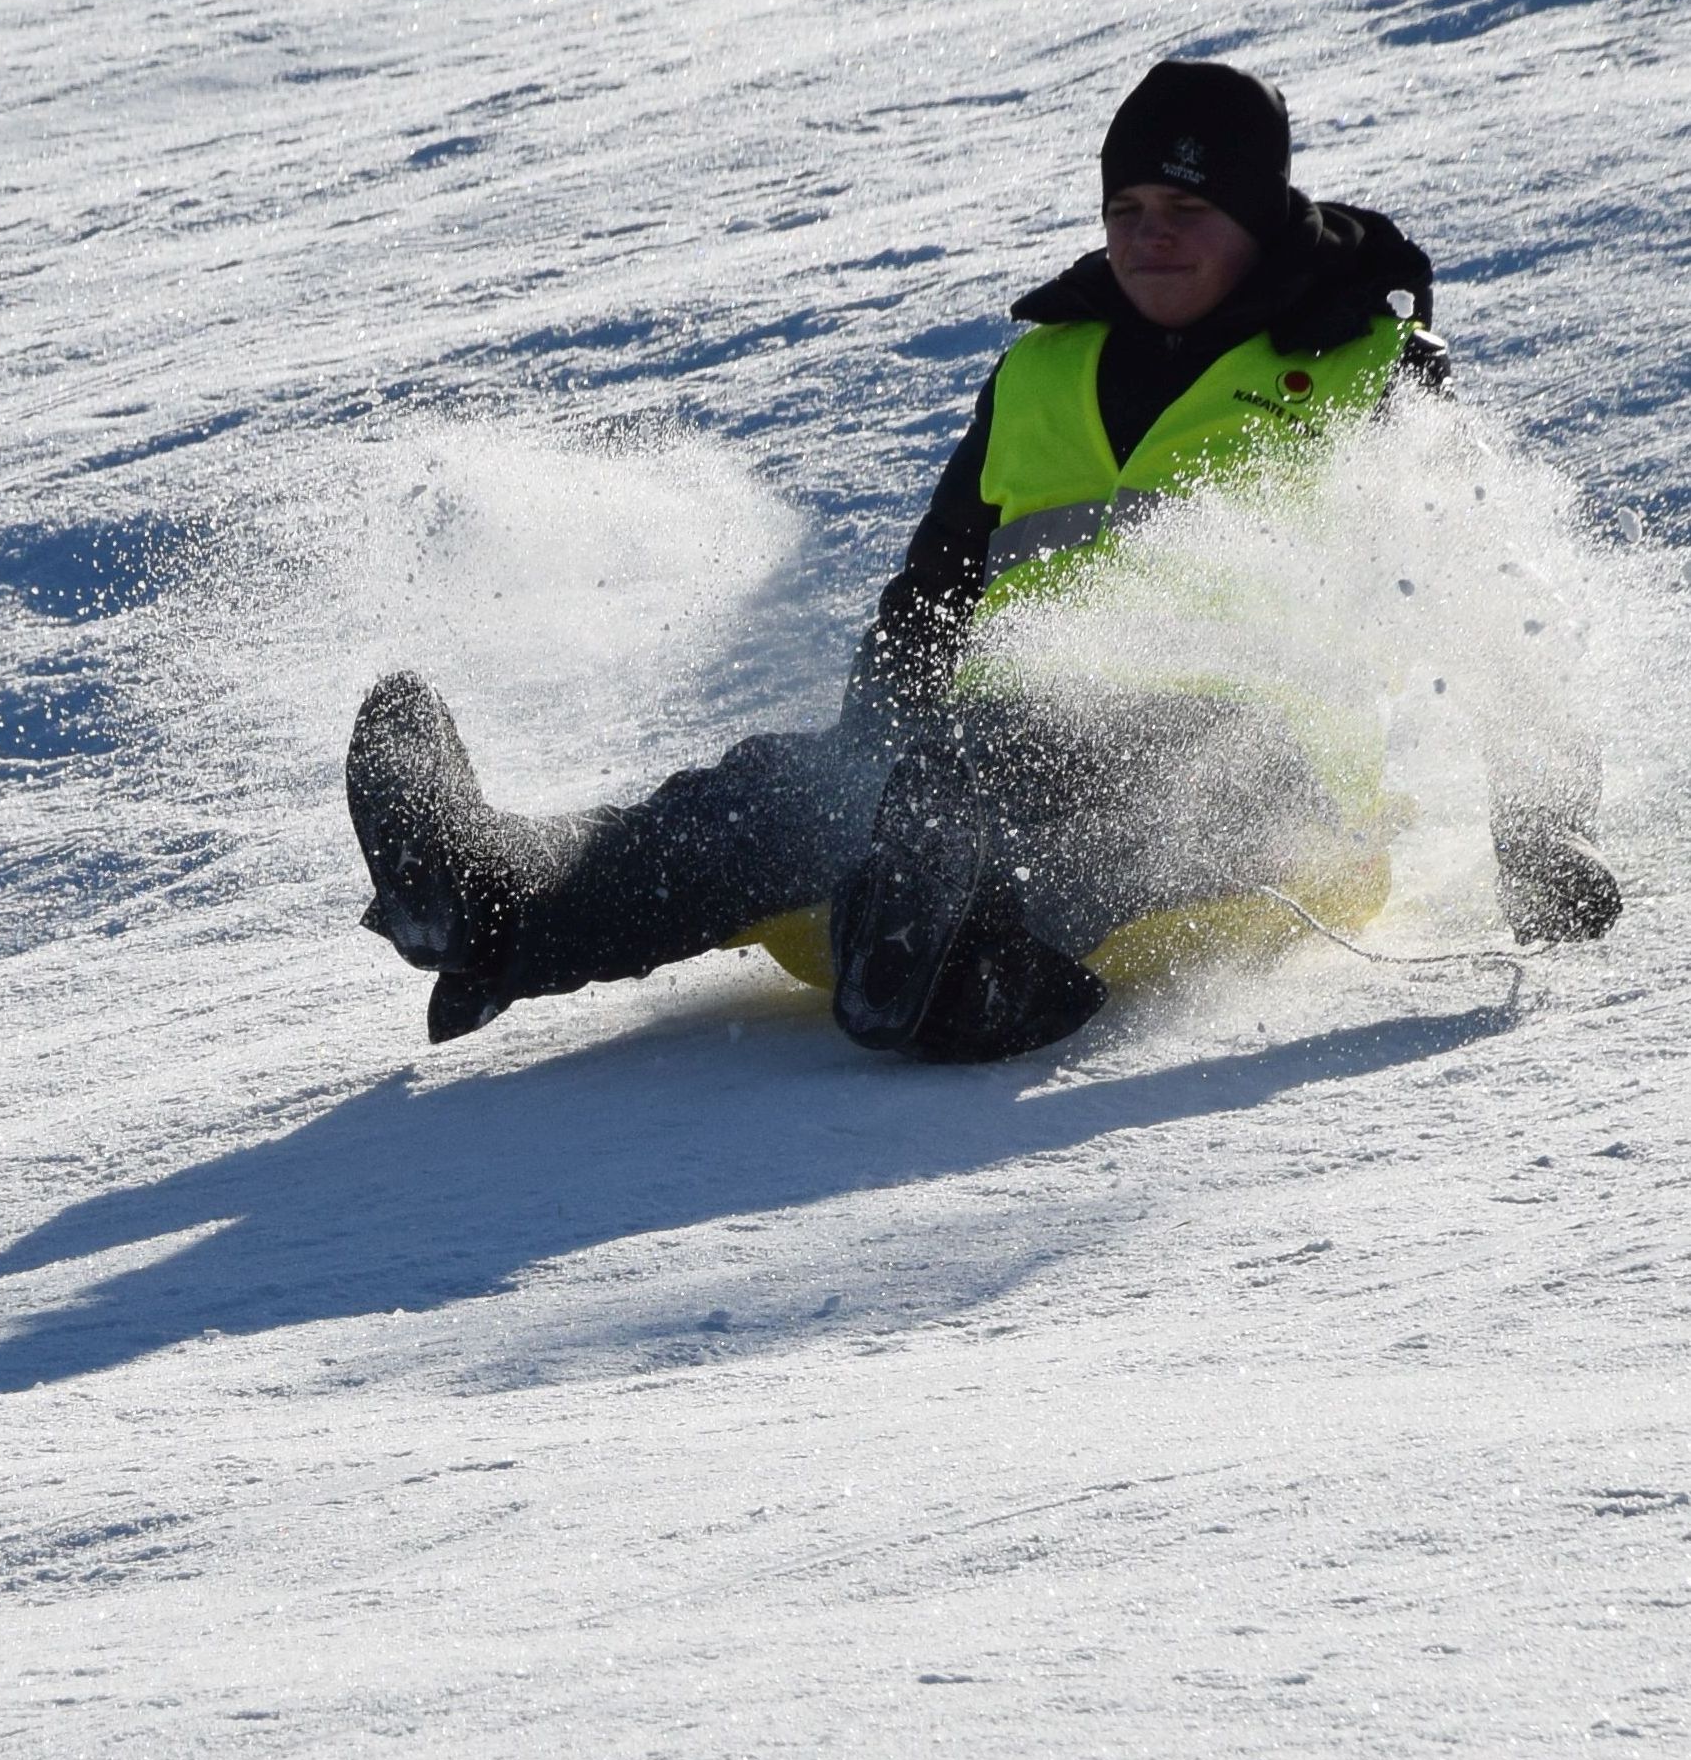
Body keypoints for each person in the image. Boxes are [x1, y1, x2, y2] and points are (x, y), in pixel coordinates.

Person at [347, 56, 1623, 1065]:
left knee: (1006, 778)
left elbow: (1490, 605)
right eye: (1124, 208)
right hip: (976, 775)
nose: (1146, 236)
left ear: (1258, 218)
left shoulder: (1364, 375)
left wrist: (1542, 825)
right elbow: (932, 596)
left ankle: (965, 970)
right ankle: (491, 898)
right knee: (774, 795)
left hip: (1260, 795)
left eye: (1184, 210)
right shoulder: (1040, 370)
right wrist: (862, 765)